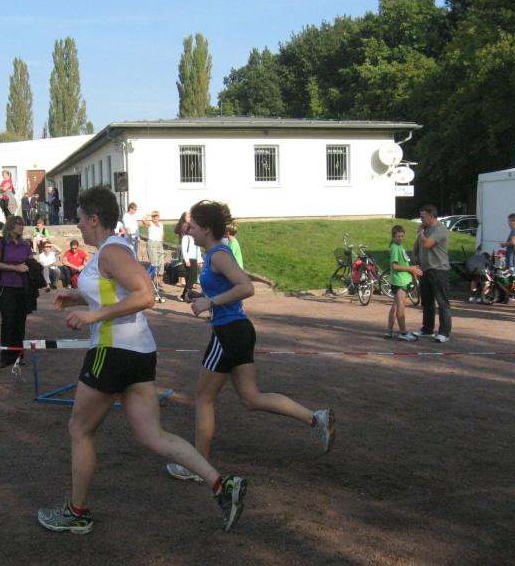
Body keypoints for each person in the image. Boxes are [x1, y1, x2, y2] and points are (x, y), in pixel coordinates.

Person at [38, 186, 246, 535]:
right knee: (153, 435)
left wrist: (93, 316)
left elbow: (145, 295)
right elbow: (117, 292)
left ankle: (77, 513)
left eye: (80, 219)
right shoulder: (114, 249)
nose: (78, 226)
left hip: (112, 352)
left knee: (79, 429)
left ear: (94, 218)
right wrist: (79, 298)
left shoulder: (111, 251)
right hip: (137, 352)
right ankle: (221, 485)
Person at [166, 200, 335, 484]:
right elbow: (230, 289)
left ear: (206, 229)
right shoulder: (215, 254)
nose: (188, 231)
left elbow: (247, 287)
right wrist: (206, 299)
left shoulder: (219, 255)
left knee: (203, 398)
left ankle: (199, 467)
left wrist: (210, 302)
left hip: (229, 333)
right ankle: (317, 419)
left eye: (192, 227)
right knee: (251, 397)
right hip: (238, 331)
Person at [0, 215, 33, 369]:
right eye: (18, 224)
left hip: (22, 288)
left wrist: (33, 264)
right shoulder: (0, 243)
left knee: (20, 323)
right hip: (5, 287)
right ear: (10, 225)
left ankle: (19, 356)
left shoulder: (25, 245)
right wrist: (15, 268)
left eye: (23, 224)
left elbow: (31, 262)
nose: (22, 226)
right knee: (8, 322)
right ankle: (5, 356)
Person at [412, 204, 451, 343]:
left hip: (439, 270)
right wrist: (415, 260)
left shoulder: (440, 229)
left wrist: (421, 234)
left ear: (432, 216)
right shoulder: (424, 229)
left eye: (423, 216)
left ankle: (444, 332)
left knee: (442, 302)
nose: (421, 219)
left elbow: (428, 244)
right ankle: (427, 329)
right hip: (425, 269)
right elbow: (418, 247)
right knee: (427, 302)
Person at [385, 225, 422, 341]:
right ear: (393, 237)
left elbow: (403, 262)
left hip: (401, 279)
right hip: (400, 281)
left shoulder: (398, 246)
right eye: (398, 236)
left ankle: (389, 331)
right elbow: (394, 266)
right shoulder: (395, 248)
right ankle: (403, 332)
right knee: (401, 305)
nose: (400, 238)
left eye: (402, 236)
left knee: (396, 305)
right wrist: (410, 269)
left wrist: (412, 267)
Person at [179, 222, 202, 302]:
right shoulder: (186, 238)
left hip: (194, 260)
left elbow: (198, 250)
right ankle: (185, 295)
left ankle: (185, 295)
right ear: (188, 230)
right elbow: (184, 250)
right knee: (190, 279)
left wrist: (199, 260)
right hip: (189, 260)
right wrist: (186, 260)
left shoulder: (195, 238)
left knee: (192, 279)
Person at [142, 210, 165, 289]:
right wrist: (148, 215)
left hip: (159, 244)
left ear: (158, 216)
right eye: (153, 216)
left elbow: (162, 233)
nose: (155, 217)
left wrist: (161, 241)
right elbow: (143, 220)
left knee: (161, 262)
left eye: (156, 216)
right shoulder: (150, 224)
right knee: (154, 263)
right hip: (152, 244)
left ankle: (159, 280)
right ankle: (147, 279)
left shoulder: (161, 224)